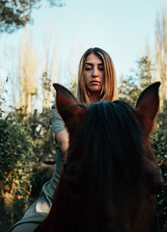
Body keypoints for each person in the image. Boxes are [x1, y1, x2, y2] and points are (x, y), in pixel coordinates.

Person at [10, 47, 118, 232]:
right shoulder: (63, 109)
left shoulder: (119, 115)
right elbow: (66, 145)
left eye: (100, 68)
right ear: (81, 72)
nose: (94, 74)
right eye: (88, 68)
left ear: (108, 73)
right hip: (56, 198)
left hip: (105, 200)